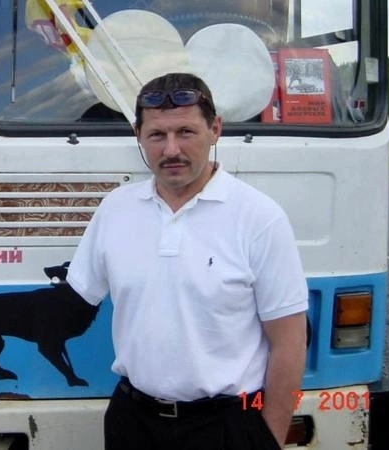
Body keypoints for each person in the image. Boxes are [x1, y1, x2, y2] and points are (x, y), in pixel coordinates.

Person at [66, 72, 308, 450]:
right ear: (138, 135)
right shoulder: (115, 210)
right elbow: (81, 295)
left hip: (226, 427)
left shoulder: (259, 218)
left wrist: (268, 439)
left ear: (215, 129)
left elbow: (289, 342)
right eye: (157, 135)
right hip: (133, 423)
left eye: (186, 132)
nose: (171, 150)